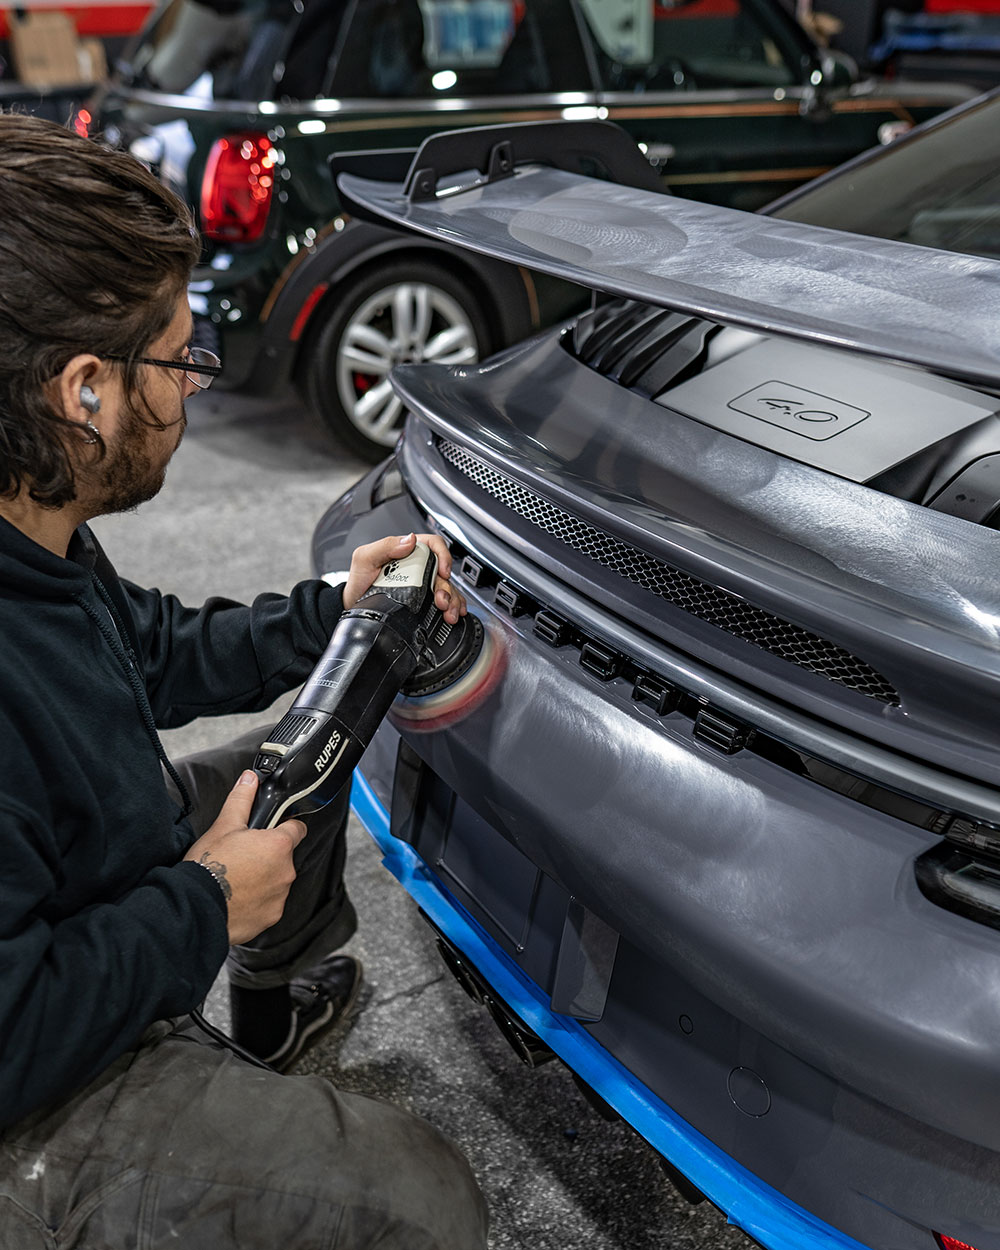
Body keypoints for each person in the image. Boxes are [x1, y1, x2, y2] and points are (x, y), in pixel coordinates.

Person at [0, 113, 488, 1249]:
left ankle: (259, 1020)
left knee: (297, 761)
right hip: (23, 1080)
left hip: (76, 884)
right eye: (179, 359)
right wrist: (205, 902)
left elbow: (151, 650)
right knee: (418, 1199)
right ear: (84, 390)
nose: (196, 385)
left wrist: (340, 611)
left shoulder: (36, 529)